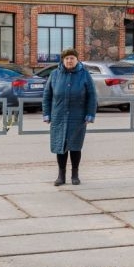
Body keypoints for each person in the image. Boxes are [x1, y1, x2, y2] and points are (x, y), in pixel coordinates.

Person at [42, 48, 98, 186]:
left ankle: (75, 174)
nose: (69, 61)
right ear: (63, 60)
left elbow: (92, 96)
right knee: (60, 146)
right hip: (58, 116)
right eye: (66, 58)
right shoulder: (54, 74)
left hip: (77, 117)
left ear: (77, 59)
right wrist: (46, 114)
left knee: (75, 146)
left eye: (72, 58)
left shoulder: (84, 75)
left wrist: (90, 114)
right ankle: (61, 176)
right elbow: (47, 95)